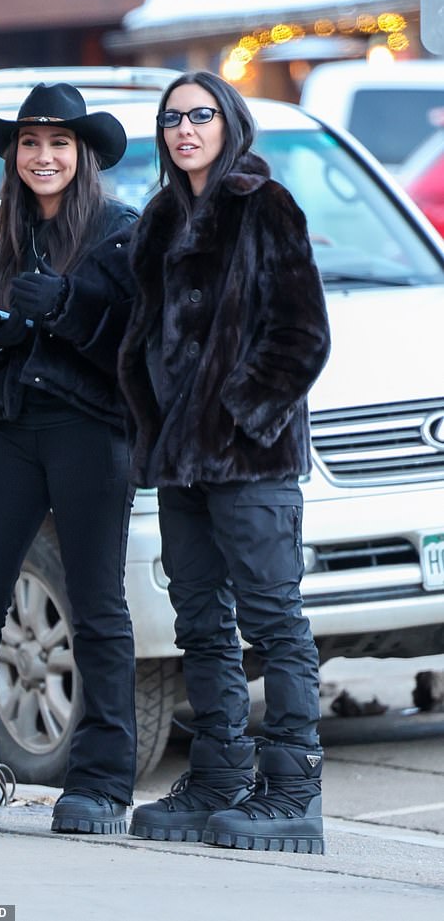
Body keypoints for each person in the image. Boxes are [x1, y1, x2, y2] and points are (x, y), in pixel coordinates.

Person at [0, 82, 138, 835]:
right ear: (15, 154)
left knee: (99, 612)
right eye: (30, 143)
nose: (43, 156)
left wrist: (68, 312)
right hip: (10, 432)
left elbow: (132, 361)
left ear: (83, 155)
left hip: (88, 434)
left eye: (58, 143)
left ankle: (102, 785)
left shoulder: (118, 234)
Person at [118, 70, 331, 854]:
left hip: (251, 461)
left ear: (228, 121)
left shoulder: (261, 204)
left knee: (276, 622)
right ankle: (218, 777)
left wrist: (237, 416)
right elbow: (144, 339)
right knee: (201, 624)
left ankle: (293, 791)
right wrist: (154, 422)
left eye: (200, 114)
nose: (185, 128)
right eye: (172, 118)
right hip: (181, 466)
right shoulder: (161, 218)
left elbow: (302, 334)